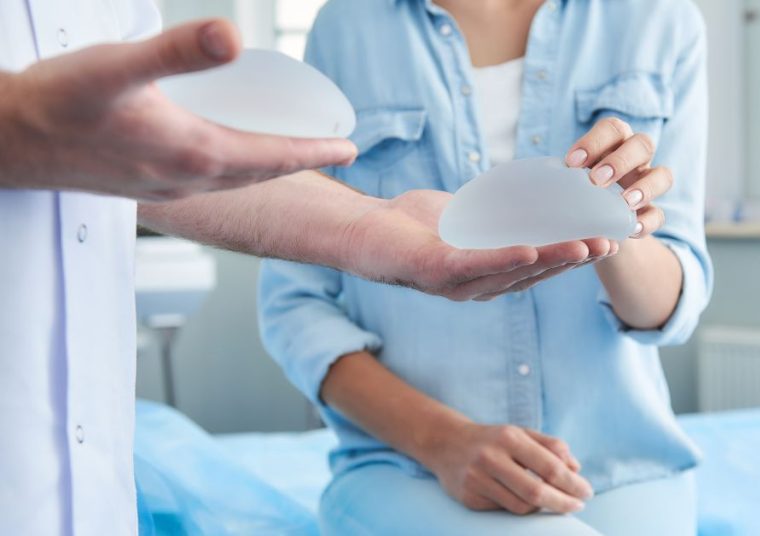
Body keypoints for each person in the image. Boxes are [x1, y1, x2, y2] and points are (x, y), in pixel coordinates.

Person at [0, 3, 608, 534]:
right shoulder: (349, 25)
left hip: (82, 495)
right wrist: (19, 125)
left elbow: (140, 150)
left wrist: (364, 223)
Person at [258, 0, 712, 534]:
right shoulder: (349, 26)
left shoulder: (658, 19)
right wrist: (442, 441)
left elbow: (671, 307)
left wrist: (614, 218)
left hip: (624, 467)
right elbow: (295, 307)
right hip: (412, 467)